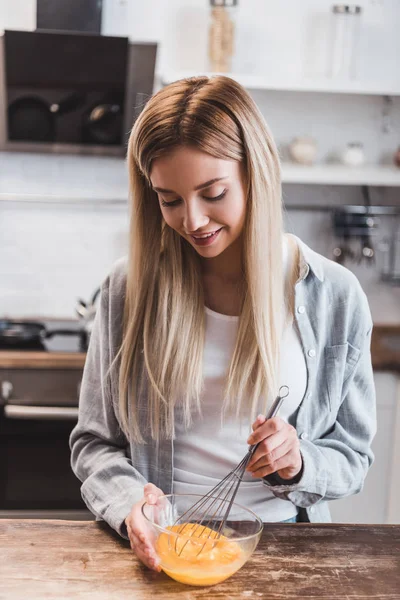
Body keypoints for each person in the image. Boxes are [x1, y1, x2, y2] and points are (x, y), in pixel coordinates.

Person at [69, 75, 376, 572]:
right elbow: (94, 443)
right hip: (160, 552)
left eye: (213, 192)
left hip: (283, 555)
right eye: (169, 200)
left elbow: (353, 457)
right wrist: (129, 505)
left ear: (256, 173)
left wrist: (298, 462)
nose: (192, 220)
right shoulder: (127, 289)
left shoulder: (333, 295)